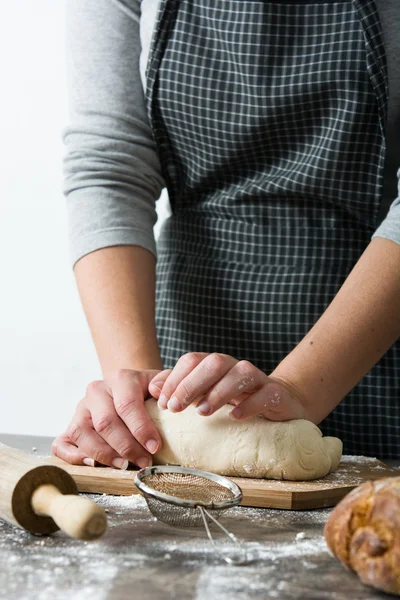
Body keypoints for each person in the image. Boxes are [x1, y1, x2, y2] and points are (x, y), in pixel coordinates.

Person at [52, 0, 400, 470]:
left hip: (375, 339)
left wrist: (299, 388)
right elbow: (109, 166)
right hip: (185, 351)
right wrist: (139, 400)